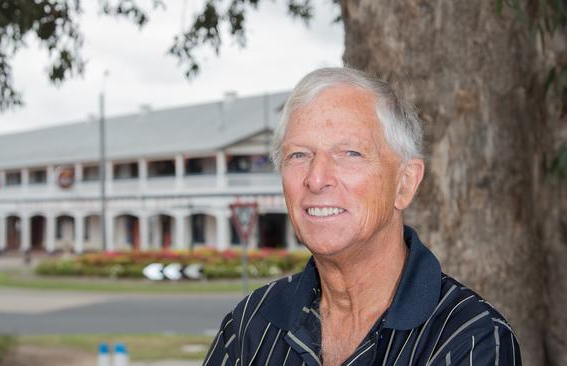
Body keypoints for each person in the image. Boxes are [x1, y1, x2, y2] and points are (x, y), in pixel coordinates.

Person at [203, 67, 521, 366]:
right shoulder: (249, 325)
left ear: (405, 183)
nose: (316, 178)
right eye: (299, 154)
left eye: (350, 153)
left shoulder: (470, 339)